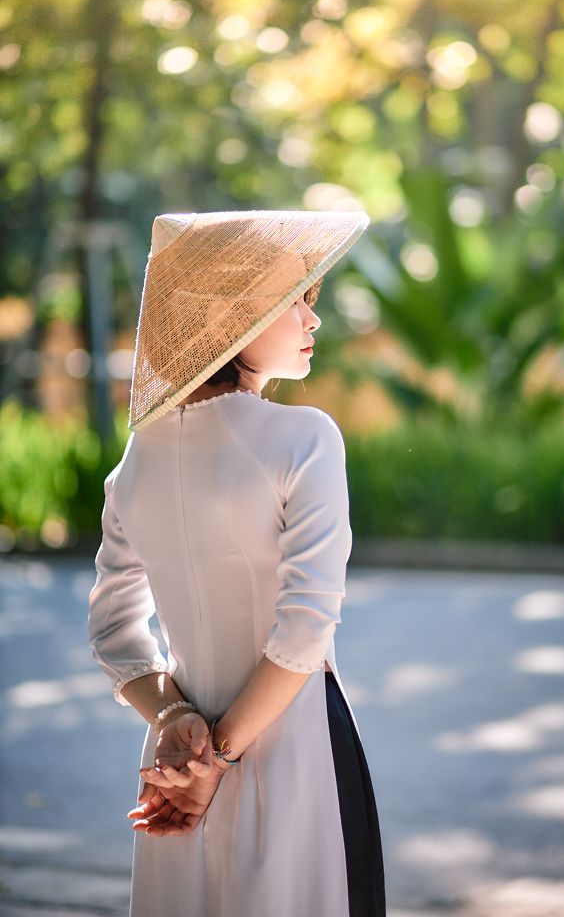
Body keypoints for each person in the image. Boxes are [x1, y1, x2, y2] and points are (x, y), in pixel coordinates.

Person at [87, 210, 386, 917]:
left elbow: (112, 635)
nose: (313, 318)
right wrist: (215, 760)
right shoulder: (305, 437)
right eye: (295, 300)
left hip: (173, 774)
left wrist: (176, 724)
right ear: (235, 316)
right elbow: (305, 629)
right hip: (295, 754)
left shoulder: (137, 459)